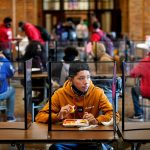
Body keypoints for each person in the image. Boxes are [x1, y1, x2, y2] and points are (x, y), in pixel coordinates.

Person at [35, 62, 120, 150]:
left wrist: (96, 120)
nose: (86, 82)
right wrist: (58, 116)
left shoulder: (97, 92)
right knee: (55, 148)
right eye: (81, 78)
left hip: (90, 138)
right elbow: (39, 117)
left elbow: (115, 115)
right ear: (70, 80)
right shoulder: (60, 94)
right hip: (67, 138)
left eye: (88, 77)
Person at [128, 52, 150, 121]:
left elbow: (133, 73)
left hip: (147, 91)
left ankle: (138, 114)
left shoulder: (145, 61)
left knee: (134, 90)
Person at [0, 49, 16, 122]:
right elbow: (12, 73)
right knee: (12, 90)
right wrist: (5, 58)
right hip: (1, 93)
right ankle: (10, 116)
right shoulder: (5, 62)